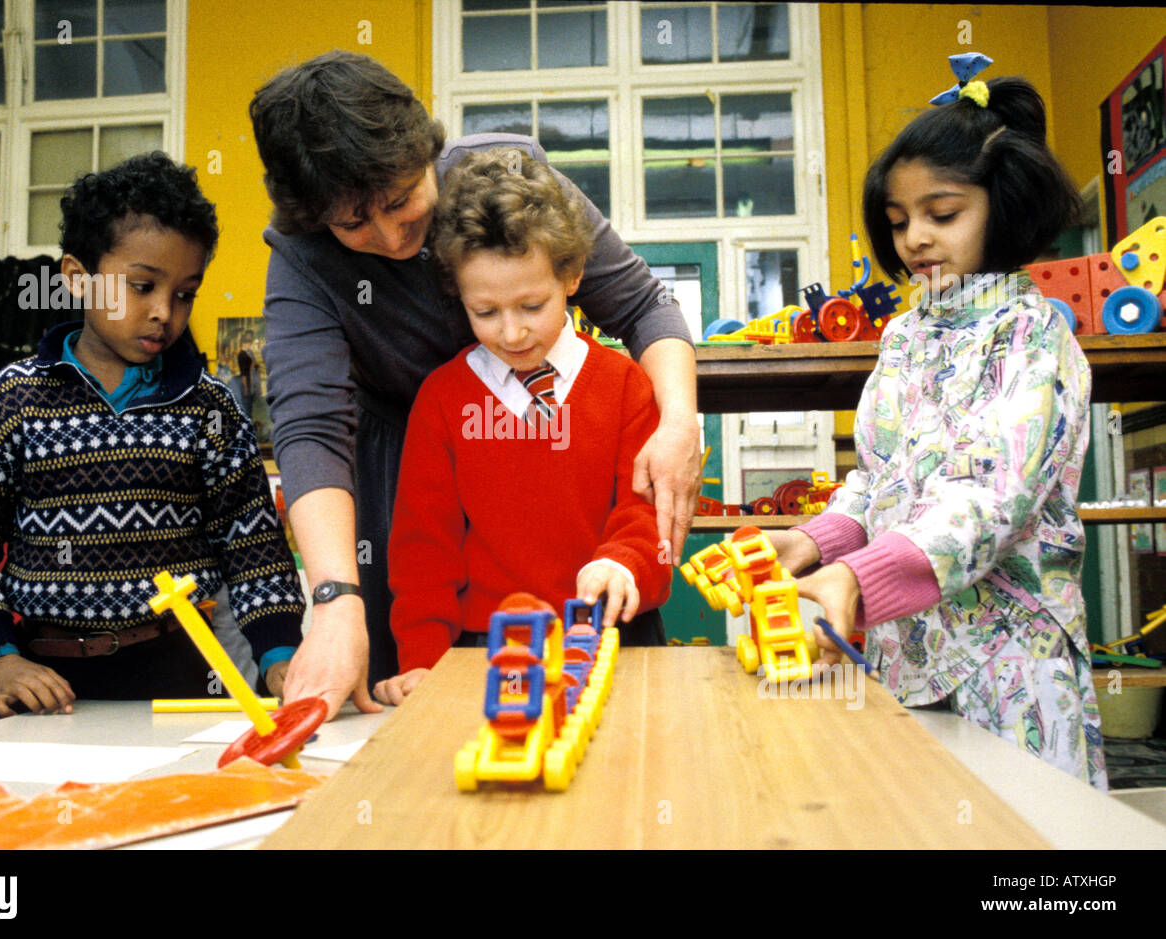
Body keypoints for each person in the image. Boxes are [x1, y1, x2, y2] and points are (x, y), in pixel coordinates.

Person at [251, 50, 700, 720]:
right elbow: (314, 429)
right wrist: (337, 601)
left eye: (403, 202)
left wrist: (677, 422)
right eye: (352, 224)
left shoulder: (508, 184)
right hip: (406, 476)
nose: (388, 236)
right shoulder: (310, 265)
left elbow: (642, 305)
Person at [770, 55, 1106, 787]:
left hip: (1011, 665)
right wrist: (809, 540)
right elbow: (880, 478)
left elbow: (988, 500)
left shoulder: (1035, 338)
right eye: (898, 222)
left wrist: (857, 578)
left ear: (1005, 205)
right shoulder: (904, 337)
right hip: (908, 652)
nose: (915, 238)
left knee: (1028, 856)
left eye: (942, 214)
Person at [0, 152, 304, 716]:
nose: (164, 313)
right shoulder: (9, 402)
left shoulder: (211, 410)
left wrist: (281, 656)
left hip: (182, 673)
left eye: (185, 293)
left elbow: (253, 550)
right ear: (79, 280)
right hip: (43, 681)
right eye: (142, 286)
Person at [373, 150, 672, 704]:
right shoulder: (442, 399)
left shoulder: (626, 384)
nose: (511, 333)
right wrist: (422, 661)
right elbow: (423, 551)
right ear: (458, 298)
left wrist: (621, 563)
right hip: (485, 654)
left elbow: (646, 513)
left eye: (532, 305)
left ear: (573, 276)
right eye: (484, 312)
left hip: (612, 641)